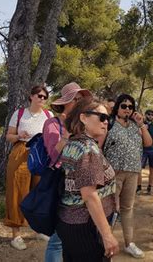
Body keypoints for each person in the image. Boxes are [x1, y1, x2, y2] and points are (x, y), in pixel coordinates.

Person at [56, 97, 119, 262]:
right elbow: (90, 195)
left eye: (108, 118)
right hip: (86, 227)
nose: (106, 122)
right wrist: (107, 235)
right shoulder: (88, 149)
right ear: (83, 118)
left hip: (69, 223)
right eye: (102, 117)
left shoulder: (72, 143)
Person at [42, 82, 92, 262]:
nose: (80, 102)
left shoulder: (83, 123)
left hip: (80, 184)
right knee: (58, 237)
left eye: (81, 99)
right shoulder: (52, 124)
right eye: (76, 99)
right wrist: (66, 134)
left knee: (73, 234)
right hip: (61, 183)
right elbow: (54, 155)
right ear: (66, 102)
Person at [4, 85, 54, 250]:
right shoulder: (19, 114)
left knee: (40, 192)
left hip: (42, 154)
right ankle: (16, 235)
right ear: (31, 96)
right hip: (21, 153)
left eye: (45, 97)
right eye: (39, 96)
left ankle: (39, 229)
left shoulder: (49, 115)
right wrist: (19, 135)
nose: (42, 99)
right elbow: (9, 136)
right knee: (17, 192)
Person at [103, 94, 153, 259]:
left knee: (127, 209)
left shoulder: (135, 125)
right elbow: (99, 147)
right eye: (123, 106)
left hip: (132, 172)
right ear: (117, 107)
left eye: (130, 107)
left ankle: (129, 243)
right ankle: (105, 242)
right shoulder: (108, 124)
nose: (127, 109)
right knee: (109, 209)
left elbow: (148, 143)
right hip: (113, 173)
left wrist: (142, 125)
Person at [137, 109, 153, 195]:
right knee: (139, 169)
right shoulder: (140, 124)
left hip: (152, 150)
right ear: (145, 115)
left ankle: (149, 187)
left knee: (152, 168)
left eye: (152, 115)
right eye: (148, 114)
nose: (150, 116)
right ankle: (139, 187)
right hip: (142, 149)